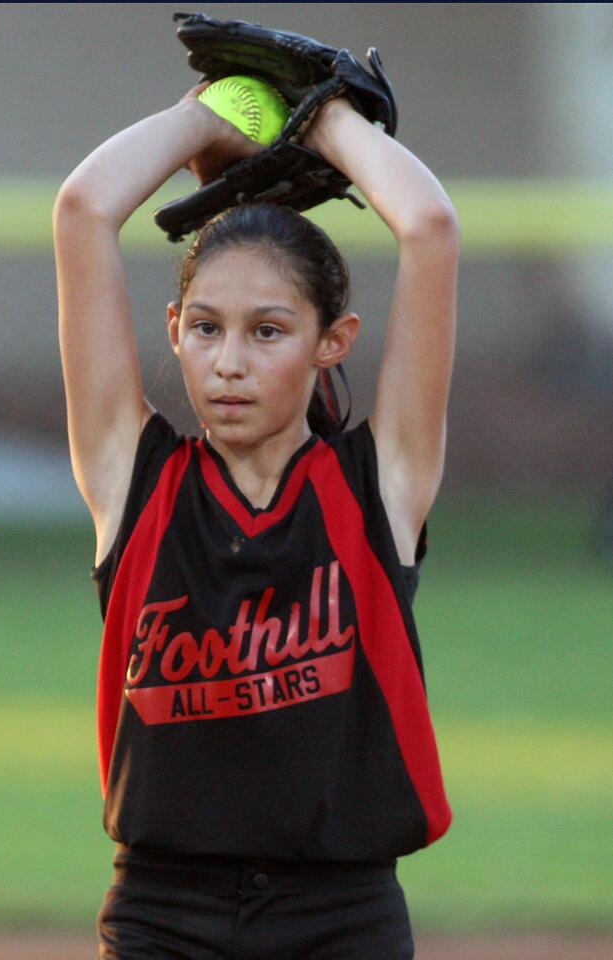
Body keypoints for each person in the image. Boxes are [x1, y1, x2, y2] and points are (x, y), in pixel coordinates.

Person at [53, 77, 459, 960]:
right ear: (172, 329)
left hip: (340, 918)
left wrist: (327, 116)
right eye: (205, 328)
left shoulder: (375, 485)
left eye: (268, 332)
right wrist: (217, 110)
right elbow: (83, 210)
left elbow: (427, 228)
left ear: (332, 342)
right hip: (162, 914)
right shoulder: (136, 478)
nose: (229, 361)